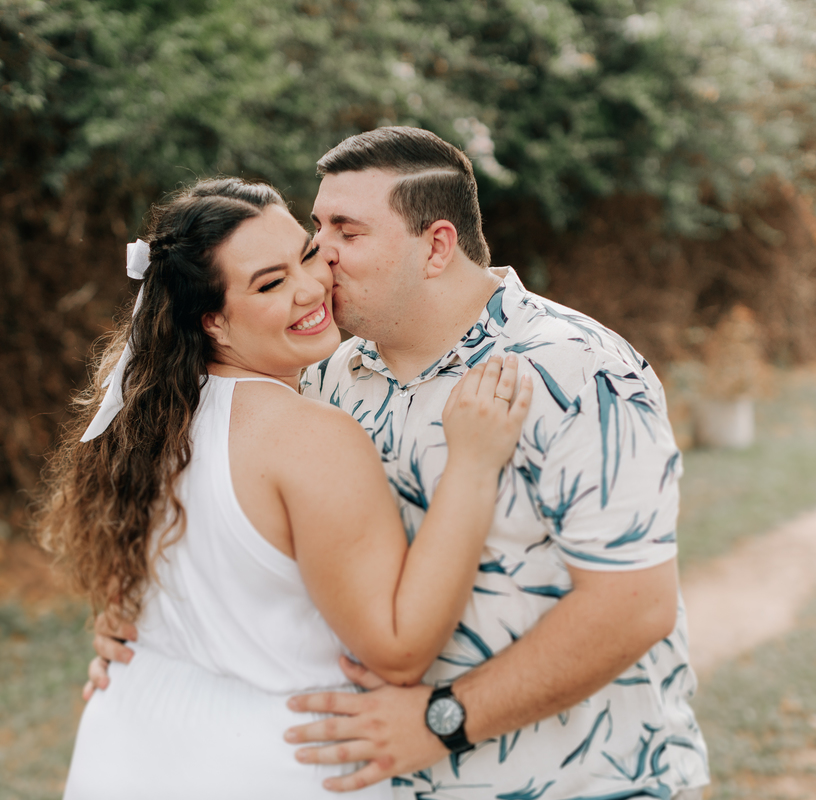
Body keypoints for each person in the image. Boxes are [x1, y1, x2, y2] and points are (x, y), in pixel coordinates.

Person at [91, 128, 711, 799]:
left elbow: (634, 608)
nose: (321, 254)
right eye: (317, 227)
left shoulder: (575, 371)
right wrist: (150, 625)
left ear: (437, 246)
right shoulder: (328, 375)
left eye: (347, 232)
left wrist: (442, 721)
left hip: (578, 783)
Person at [37, 176, 533, 800]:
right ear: (214, 322)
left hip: (127, 746)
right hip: (270, 763)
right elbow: (399, 649)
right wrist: (473, 465)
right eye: (270, 284)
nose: (311, 288)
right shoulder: (308, 436)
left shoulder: (141, 423)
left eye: (307, 255)